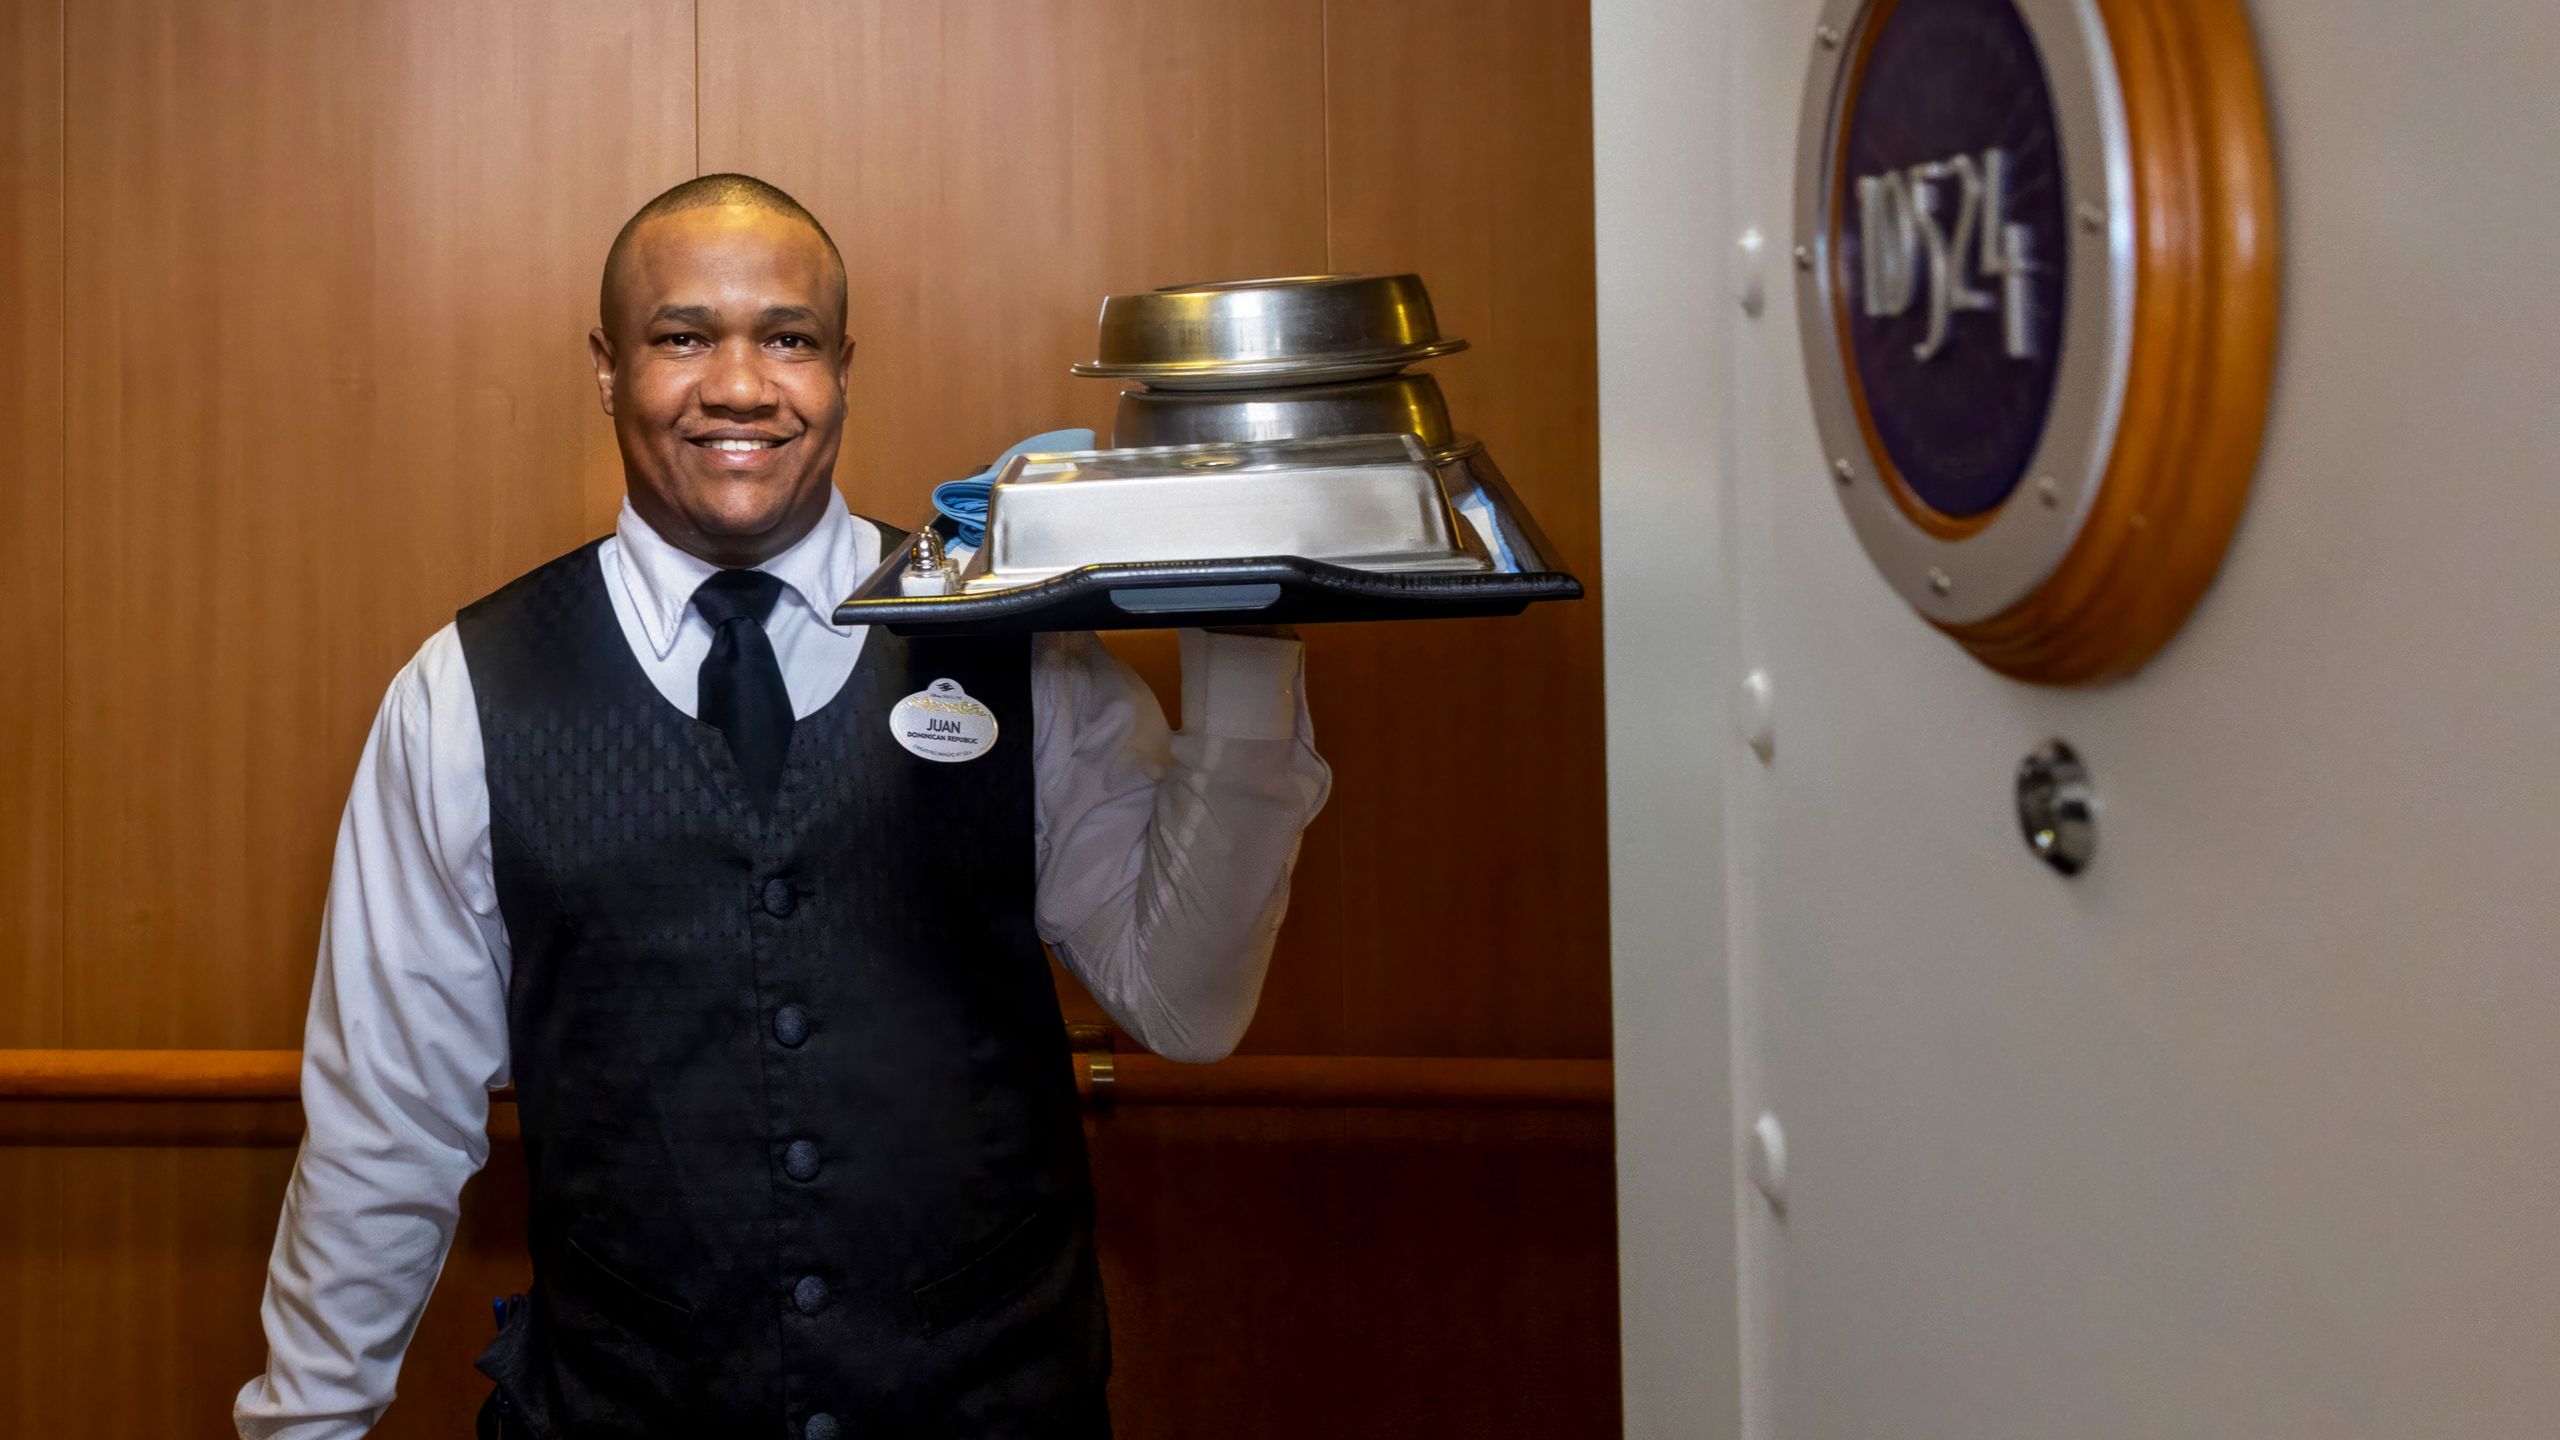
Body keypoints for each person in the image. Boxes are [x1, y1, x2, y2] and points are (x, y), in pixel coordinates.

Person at [232, 173, 1331, 1439]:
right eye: (684, 336)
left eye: (789, 338)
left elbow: (1186, 1011)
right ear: (606, 366)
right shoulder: (460, 696)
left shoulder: (1015, 645)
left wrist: (1249, 647)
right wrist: (304, 1428)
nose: (742, 386)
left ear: (844, 365)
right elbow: (388, 1130)